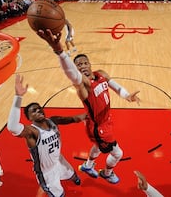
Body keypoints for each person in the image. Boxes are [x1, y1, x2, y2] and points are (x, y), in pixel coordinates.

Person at [36, 29, 140, 184]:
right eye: (78, 65)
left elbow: (115, 86)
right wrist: (60, 52)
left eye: (85, 63)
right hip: (99, 127)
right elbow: (71, 73)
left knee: (97, 146)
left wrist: (127, 96)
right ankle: (107, 172)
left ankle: (88, 165)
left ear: (90, 64)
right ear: (76, 69)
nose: (82, 66)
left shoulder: (101, 74)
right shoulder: (83, 85)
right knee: (118, 153)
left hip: (104, 121)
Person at [7, 74, 86, 197]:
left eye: (39, 109)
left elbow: (72, 119)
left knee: (73, 175)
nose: (38, 111)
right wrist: (18, 97)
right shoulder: (32, 132)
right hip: (46, 172)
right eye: (34, 111)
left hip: (59, 160)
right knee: (59, 195)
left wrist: (88, 116)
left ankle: (74, 179)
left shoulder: (52, 121)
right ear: (29, 118)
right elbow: (12, 127)